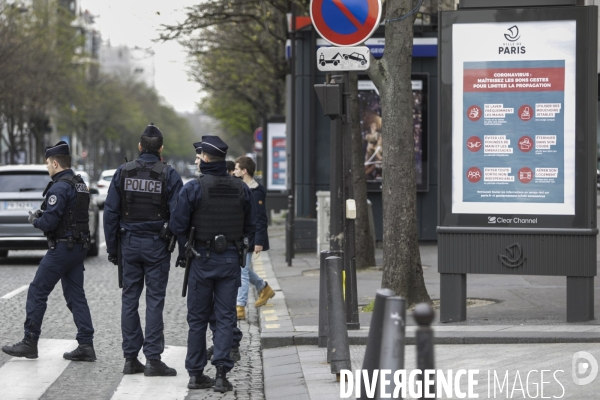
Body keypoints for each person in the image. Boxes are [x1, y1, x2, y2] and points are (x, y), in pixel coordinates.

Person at [170, 136, 255, 393]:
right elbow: (250, 226)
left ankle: (196, 374)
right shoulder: (242, 189)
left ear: (205, 159)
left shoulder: (193, 188)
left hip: (201, 259)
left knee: (197, 320)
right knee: (226, 317)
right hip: (230, 259)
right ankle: (221, 374)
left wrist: (188, 244)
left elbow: (176, 224)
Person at [2, 141, 96, 361]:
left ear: (55, 163)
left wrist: (36, 219)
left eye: (47, 164)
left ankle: (29, 341)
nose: (47, 168)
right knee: (75, 296)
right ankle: (86, 345)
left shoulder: (60, 187)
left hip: (63, 247)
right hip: (79, 246)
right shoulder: (79, 183)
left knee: (37, 291)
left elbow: (50, 222)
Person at [103, 123, 184, 376]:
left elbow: (110, 213)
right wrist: (180, 247)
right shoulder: (169, 175)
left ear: (139, 147)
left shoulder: (123, 172)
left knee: (129, 300)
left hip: (128, 243)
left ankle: (130, 358)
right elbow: (180, 216)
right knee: (155, 302)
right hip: (157, 245)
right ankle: (152, 359)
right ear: (161, 148)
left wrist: (113, 248)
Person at [233, 156, 274, 320]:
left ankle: (240, 307)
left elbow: (260, 218)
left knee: (242, 271)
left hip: (249, 238)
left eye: (236, 169)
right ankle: (263, 287)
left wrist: (259, 241)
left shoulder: (256, 190)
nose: (234, 171)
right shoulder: (239, 187)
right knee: (242, 269)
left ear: (244, 171)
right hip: (240, 235)